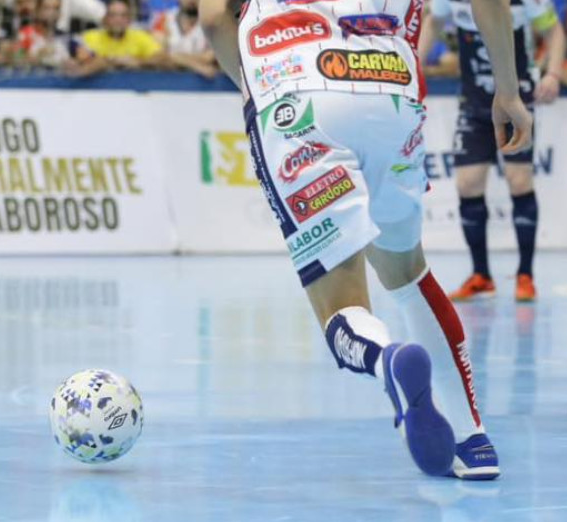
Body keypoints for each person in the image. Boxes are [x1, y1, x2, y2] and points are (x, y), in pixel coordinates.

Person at [200, 0, 533, 479]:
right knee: (407, 271)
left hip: (294, 78)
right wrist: (507, 90)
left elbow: (213, 19)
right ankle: (471, 441)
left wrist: (258, 93)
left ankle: (386, 360)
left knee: (341, 305)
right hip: (389, 84)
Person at [419, 0, 566, 302]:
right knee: (467, 183)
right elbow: (433, 22)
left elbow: (554, 31)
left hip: (515, 99)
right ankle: (481, 275)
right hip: (473, 103)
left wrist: (552, 74)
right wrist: (413, 71)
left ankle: (525, 275)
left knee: (519, 180)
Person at [73, 0, 163, 76]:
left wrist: (137, 61)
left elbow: (161, 58)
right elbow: (78, 61)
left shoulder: (140, 37)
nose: (118, 20)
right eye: (113, 15)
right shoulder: (90, 37)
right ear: (105, 19)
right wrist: (112, 61)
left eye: (123, 16)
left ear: (129, 20)